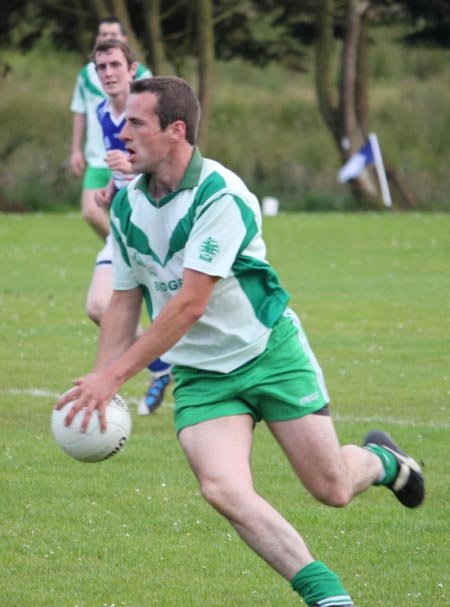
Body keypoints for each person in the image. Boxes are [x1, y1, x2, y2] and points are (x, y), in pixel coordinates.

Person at [57, 76, 425, 607]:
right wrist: (100, 386)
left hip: (268, 353)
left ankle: (386, 462)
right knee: (223, 489)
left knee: (333, 489)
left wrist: (114, 376)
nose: (122, 133)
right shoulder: (126, 207)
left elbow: (189, 303)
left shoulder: (221, 195)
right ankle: (329, 598)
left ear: (175, 131)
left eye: (136, 123)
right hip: (203, 378)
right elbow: (123, 302)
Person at [70, 18, 170, 412]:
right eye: (101, 68)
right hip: (126, 226)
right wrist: (112, 189)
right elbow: (122, 167)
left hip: (161, 225)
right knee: (97, 306)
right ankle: (161, 365)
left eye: (115, 65)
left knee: (184, 317)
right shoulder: (100, 111)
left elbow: (168, 164)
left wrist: (131, 170)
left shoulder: (150, 109)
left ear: (133, 69)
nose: (108, 73)